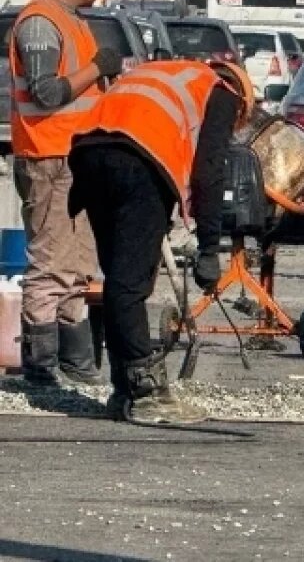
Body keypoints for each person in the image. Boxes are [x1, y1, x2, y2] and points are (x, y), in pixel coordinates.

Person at [68, 60, 255, 426]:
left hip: (88, 153)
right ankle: (148, 394)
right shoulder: (221, 92)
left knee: (120, 280)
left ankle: (124, 386)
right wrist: (209, 246)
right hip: (139, 161)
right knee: (130, 284)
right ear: (242, 94)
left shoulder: (167, 73)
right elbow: (210, 170)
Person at [10, 0, 124, 385]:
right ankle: (41, 370)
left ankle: (76, 367)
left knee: (76, 268)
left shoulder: (70, 19)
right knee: (49, 266)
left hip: (74, 158)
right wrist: (99, 67)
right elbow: (44, 94)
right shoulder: (42, 22)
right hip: (47, 158)